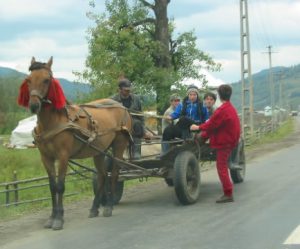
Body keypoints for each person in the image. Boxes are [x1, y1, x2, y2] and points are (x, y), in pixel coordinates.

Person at [190, 84, 240, 203]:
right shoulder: (230, 107)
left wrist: (197, 127)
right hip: (229, 139)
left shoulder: (221, 110)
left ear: (218, 96)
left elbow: (211, 124)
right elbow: (214, 126)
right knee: (221, 166)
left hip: (224, 142)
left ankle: (228, 194)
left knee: (221, 167)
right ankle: (228, 192)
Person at [161, 85, 209, 154]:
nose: (192, 97)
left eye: (194, 95)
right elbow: (176, 114)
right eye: (190, 94)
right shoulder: (182, 104)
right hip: (184, 128)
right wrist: (171, 116)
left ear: (197, 95)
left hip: (195, 126)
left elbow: (206, 119)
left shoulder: (202, 105)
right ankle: (164, 153)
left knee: (183, 119)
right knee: (167, 131)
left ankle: (187, 143)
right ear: (188, 95)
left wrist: (205, 127)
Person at [111, 78, 145, 159]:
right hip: (119, 122)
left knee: (137, 124)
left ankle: (136, 152)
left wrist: (144, 129)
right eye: (125, 90)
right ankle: (116, 155)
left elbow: (141, 115)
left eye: (129, 90)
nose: (128, 92)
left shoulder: (136, 99)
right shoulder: (112, 100)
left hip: (134, 122)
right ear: (119, 89)